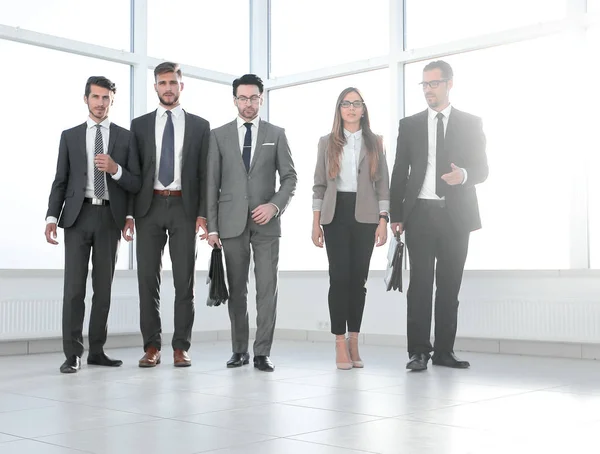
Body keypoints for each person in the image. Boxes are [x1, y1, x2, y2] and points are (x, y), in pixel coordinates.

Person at [389, 60, 488, 371]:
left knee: (449, 286)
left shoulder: (471, 123)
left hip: (456, 216)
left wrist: (465, 175)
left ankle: (444, 351)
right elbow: (399, 171)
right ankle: (418, 351)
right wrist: (396, 214)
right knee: (419, 285)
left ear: (449, 84)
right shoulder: (410, 124)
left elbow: (483, 169)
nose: (428, 90)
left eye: (434, 83)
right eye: (424, 84)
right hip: (420, 214)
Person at [45, 76, 141, 373]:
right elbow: (60, 180)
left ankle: (97, 350)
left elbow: (135, 182)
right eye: (96, 97)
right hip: (77, 217)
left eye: (106, 98)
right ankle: (72, 353)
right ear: (85, 99)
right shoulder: (70, 136)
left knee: (104, 289)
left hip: (109, 218)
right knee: (74, 289)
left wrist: (115, 170)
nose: (101, 103)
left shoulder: (125, 138)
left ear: (113, 101)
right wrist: (51, 216)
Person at [206, 74, 297, 372]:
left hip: (266, 224)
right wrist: (213, 227)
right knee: (237, 289)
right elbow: (212, 183)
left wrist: (274, 206)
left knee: (267, 288)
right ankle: (238, 350)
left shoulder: (277, 133)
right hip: (230, 224)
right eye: (243, 98)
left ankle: (262, 352)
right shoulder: (218, 135)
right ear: (234, 100)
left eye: (254, 98)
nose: (248, 103)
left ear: (262, 98)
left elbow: (289, 178)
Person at [127, 62, 210, 368]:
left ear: (181, 86)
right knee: (147, 279)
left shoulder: (200, 126)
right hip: (148, 209)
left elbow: (205, 173)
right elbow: (134, 173)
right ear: (155, 87)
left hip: (184, 209)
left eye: (173, 82)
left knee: (184, 280)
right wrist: (129, 216)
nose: (168, 88)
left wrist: (203, 214)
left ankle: (180, 346)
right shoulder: (139, 125)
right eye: (163, 83)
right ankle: (151, 346)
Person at [312, 87, 390, 370]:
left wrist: (383, 219)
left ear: (364, 109)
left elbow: (383, 184)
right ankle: (339, 343)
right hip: (335, 214)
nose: (352, 108)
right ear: (339, 109)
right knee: (339, 279)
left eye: (357, 104)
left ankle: (355, 340)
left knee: (358, 280)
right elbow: (319, 184)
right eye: (346, 103)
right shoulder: (327, 142)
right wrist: (315, 222)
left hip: (366, 216)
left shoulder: (375, 142)